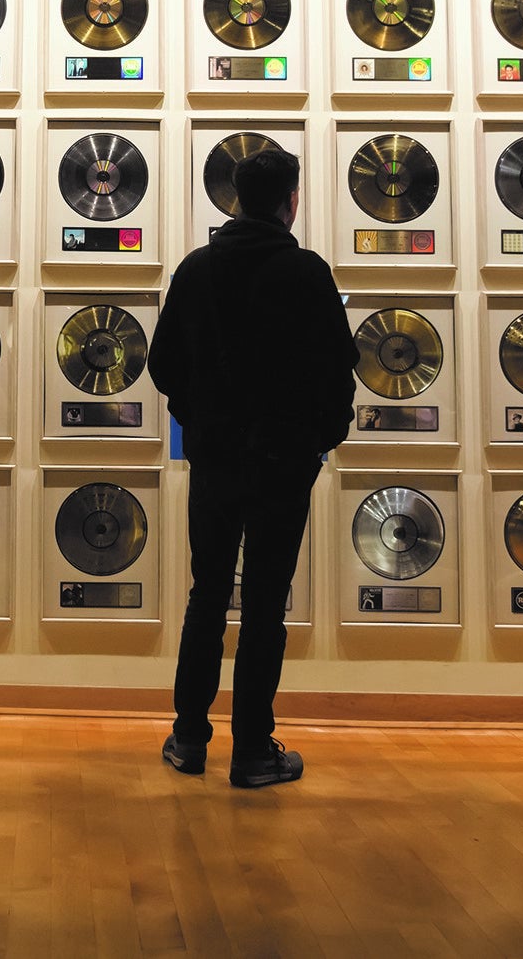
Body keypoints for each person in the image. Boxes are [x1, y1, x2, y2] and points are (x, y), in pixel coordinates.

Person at [148, 148, 357, 789]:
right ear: (290, 200)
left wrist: (203, 421)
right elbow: (337, 369)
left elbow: (162, 366)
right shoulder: (306, 272)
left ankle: (188, 739)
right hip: (284, 465)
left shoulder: (197, 270)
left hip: (213, 460)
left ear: (234, 197)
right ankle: (254, 753)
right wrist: (318, 440)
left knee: (206, 596)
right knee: (265, 605)